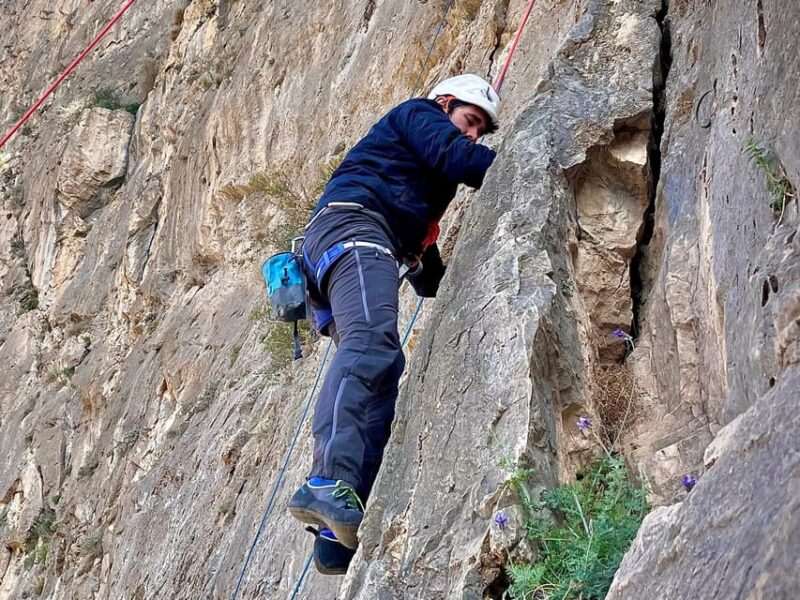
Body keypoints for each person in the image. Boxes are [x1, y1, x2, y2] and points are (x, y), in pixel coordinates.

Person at [288, 74, 500, 573]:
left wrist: (446, 280)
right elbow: (459, 158)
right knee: (369, 343)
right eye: (470, 121)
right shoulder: (418, 115)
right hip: (354, 229)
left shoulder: (415, 184)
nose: (472, 135)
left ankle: (335, 536)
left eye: (481, 132)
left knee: (382, 372)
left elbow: (427, 276)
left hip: (347, 247)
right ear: (445, 103)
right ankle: (325, 482)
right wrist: (525, 159)